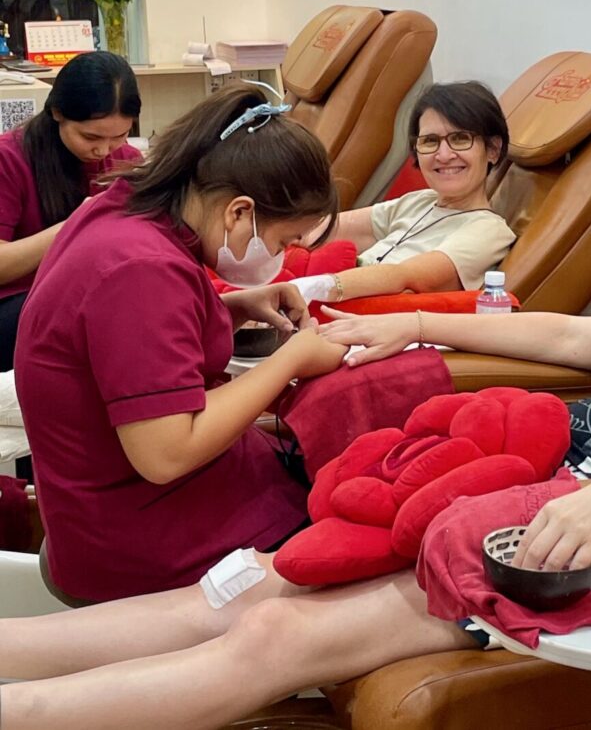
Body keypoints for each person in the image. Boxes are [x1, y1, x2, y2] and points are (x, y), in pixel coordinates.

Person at [0, 132, 591, 729]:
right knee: (245, 584)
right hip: (511, 478)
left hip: (586, 535)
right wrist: (414, 320)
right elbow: (570, 336)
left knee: (276, 633)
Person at [12, 84, 349, 604]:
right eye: (282, 242)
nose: (281, 256)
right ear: (238, 212)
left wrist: (233, 308)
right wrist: (293, 358)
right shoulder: (140, 269)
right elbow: (165, 454)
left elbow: (123, 344)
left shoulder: (125, 211)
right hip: (141, 543)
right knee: (358, 539)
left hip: (124, 508)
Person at [286, 80, 516, 305]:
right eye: (430, 141)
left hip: (368, 323)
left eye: (460, 139)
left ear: (493, 150)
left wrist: (307, 288)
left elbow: (407, 277)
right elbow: (320, 229)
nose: (444, 155)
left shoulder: (489, 230)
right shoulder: (419, 201)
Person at [0, 50, 142, 371]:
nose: (103, 150)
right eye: (90, 136)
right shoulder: (10, 158)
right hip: (16, 308)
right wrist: (75, 225)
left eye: (119, 135)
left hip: (90, 298)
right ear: (57, 113)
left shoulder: (127, 161)